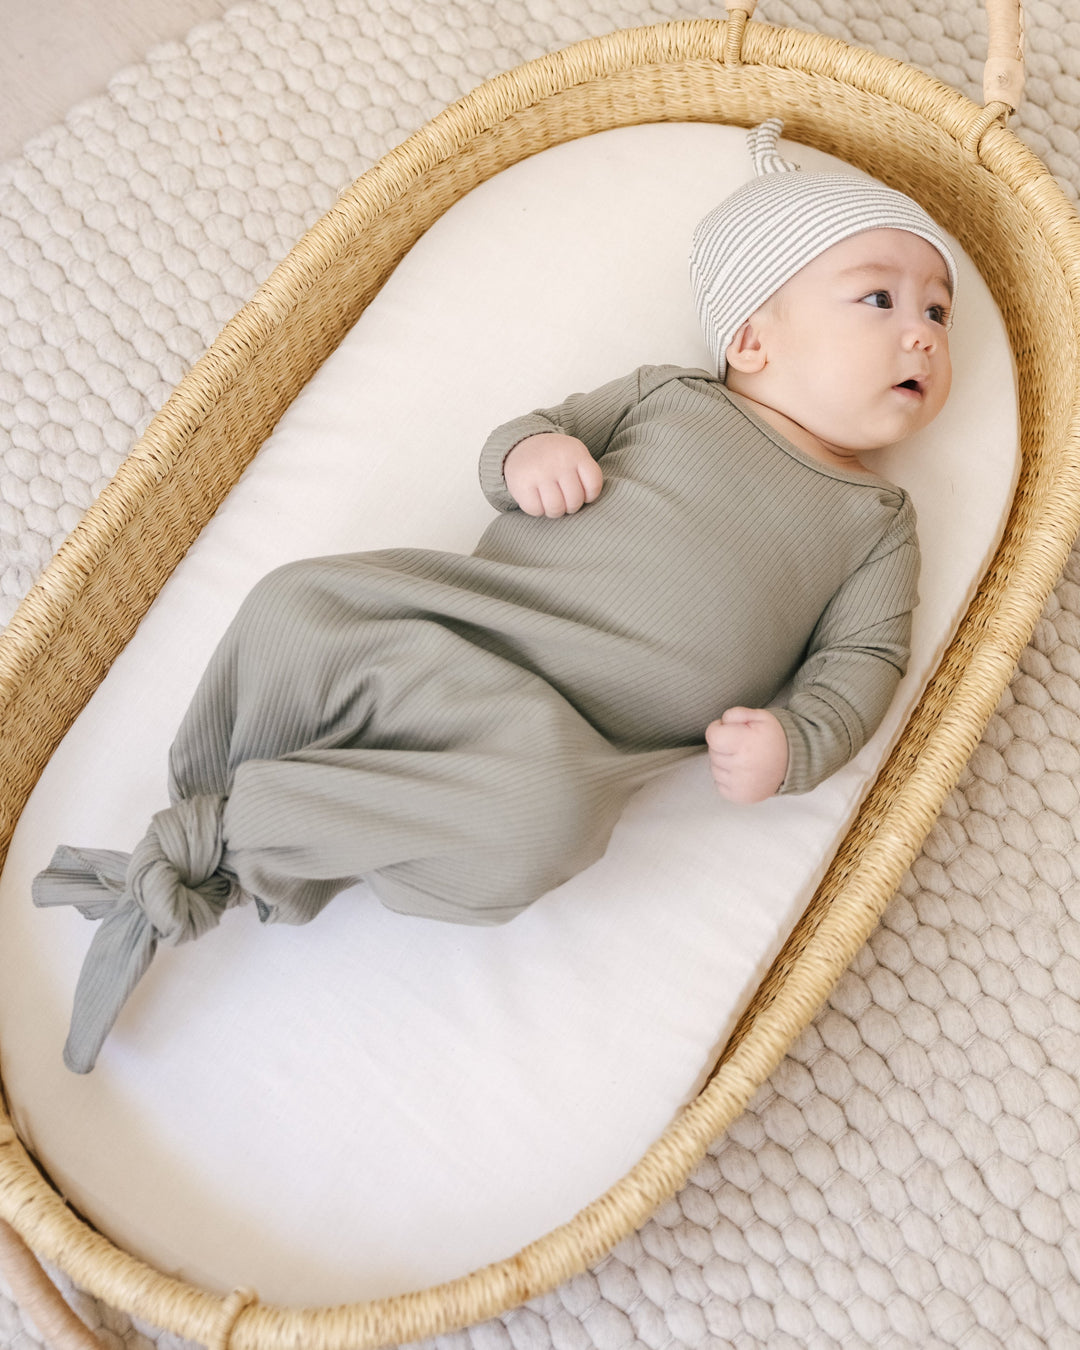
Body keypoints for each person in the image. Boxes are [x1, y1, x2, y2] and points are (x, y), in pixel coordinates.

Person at [33, 120, 956, 1073]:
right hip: (462, 621)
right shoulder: (668, 396)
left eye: (939, 313)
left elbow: (865, 663)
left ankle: (246, 843)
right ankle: (220, 799)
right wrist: (531, 454)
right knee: (295, 604)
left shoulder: (876, 521)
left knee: (535, 832)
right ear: (754, 338)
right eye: (881, 298)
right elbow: (534, 431)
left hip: (571, 744)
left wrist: (794, 743)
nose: (921, 332)